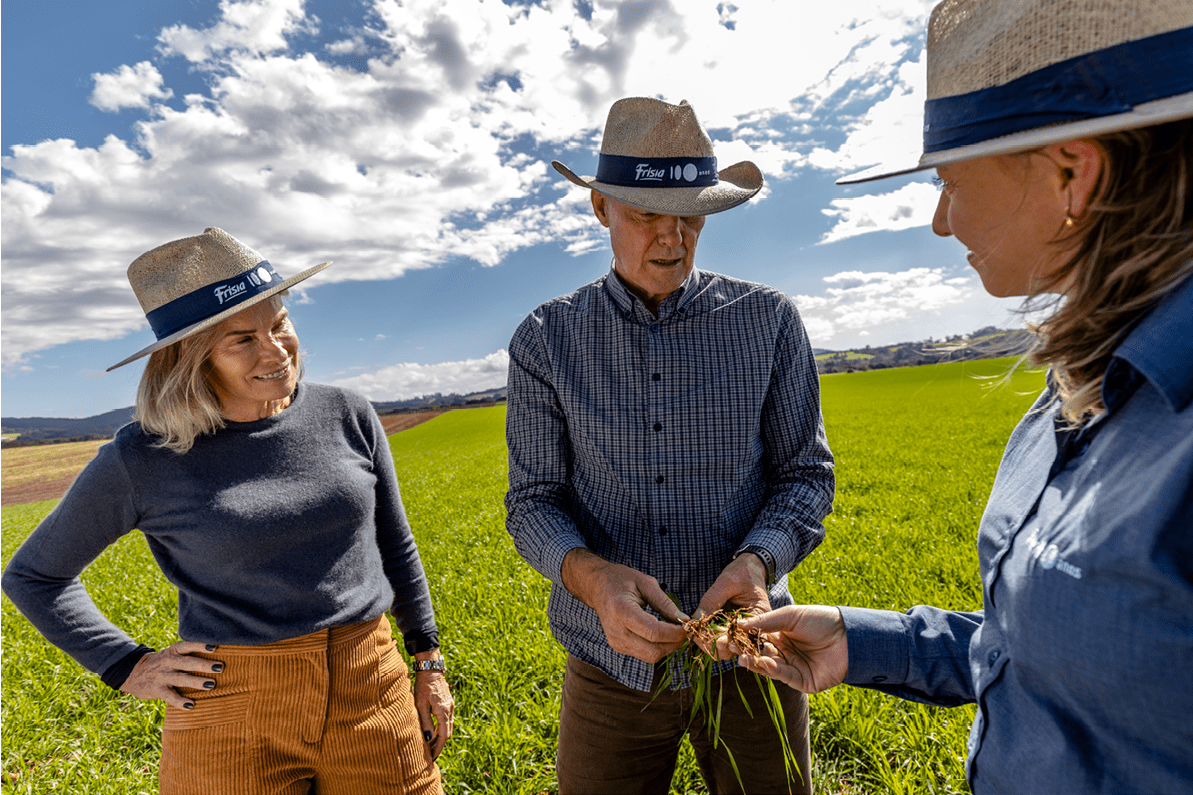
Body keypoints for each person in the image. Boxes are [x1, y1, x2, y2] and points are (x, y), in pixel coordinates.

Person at [718, 2, 1193, 793]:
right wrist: (860, 643)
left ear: (1071, 172)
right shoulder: (1072, 389)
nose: (940, 221)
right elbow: (1055, 656)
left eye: (948, 183)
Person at [2, 227, 455, 794]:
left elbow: (395, 544)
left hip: (371, 684)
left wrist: (428, 661)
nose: (274, 350)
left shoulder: (348, 412)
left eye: (279, 324)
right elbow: (34, 576)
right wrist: (126, 665)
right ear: (191, 360)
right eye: (242, 339)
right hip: (231, 707)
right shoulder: (142, 457)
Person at [504, 97, 835, 794]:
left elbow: (804, 475)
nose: (671, 237)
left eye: (689, 215)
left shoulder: (767, 321)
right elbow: (533, 502)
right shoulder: (545, 339)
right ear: (600, 208)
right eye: (646, 214)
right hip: (606, 663)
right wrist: (594, 582)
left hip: (751, 651)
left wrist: (756, 561)